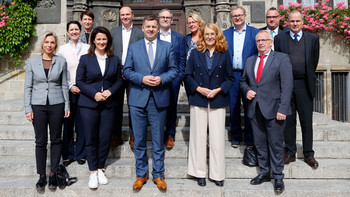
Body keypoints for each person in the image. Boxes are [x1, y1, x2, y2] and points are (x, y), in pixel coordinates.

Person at [123, 15, 178, 191]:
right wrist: (142, 79)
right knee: (139, 140)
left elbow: (174, 70)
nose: (151, 29)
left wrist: (161, 79)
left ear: (158, 28)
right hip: (138, 98)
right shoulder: (134, 47)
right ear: (143, 27)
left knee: (157, 139)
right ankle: (141, 174)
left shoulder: (167, 46)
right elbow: (127, 71)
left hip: (159, 98)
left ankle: (158, 174)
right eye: (148, 26)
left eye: (154, 26)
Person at [240, 30, 293, 194]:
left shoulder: (281, 58)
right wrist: (247, 90)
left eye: (264, 40)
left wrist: (283, 108)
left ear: (271, 42)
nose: (261, 43)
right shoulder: (250, 60)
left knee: (276, 144)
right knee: (260, 143)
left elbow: (287, 86)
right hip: (255, 108)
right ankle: (264, 172)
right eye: (258, 41)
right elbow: (243, 81)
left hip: (275, 109)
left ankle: (278, 176)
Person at [185, 23, 234, 187]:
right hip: (198, 99)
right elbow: (187, 75)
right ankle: (199, 173)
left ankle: (217, 174)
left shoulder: (224, 54)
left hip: (217, 100)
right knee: (198, 137)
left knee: (217, 138)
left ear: (217, 35)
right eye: (207, 34)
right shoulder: (195, 53)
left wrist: (218, 90)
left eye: (213, 34)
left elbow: (230, 78)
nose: (210, 37)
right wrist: (199, 89)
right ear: (202, 36)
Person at [76, 26, 124, 189]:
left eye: (104, 39)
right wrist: (94, 94)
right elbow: (80, 81)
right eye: (99, 39)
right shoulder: (85, 59)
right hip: (89, 103)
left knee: (104, 139)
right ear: (93, 41)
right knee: (91, 138)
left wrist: (110, 91)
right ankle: (92, 172)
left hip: (109, 104)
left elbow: (119, 80)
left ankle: (100, 168)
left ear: (108, 41)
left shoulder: (114, 59)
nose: (101, 42)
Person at [24, 32, 70, 191]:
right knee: (40, 141)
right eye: (47, 42)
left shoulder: (61, 61)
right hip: (38, 105)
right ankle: (41, 175)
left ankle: (53, 174)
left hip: (57, 104)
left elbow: (64, 85)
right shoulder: (32, 62)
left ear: (55, 45)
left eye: (52, 43)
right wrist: (27, 108)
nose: (49, 45)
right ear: (42, 44)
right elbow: (27, 87)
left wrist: (67, 105)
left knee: (57, 139)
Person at [274, 10, 320, 169]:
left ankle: (308, 154)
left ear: (302, 22)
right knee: (289, 121)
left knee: (306, 121)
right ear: (287, 22)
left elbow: (313, 62)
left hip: (304, 85)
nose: (295, 24)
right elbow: (278, 61)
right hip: (286, 85)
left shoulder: (313, 39)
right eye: (292, 21)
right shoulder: (279, 39)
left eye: (298, 21)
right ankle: (290, 152)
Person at [223, 6, 259, 148]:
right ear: (231, 18)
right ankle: (236, 135)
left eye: (240, 15)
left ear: (245, 16)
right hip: (232, 75)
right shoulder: (225, 34)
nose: (237, 18)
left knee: (250, 106)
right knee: (233, 106)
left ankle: (249, 137)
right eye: (234, 16)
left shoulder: (255, 33)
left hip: (249, 76)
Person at [57, 21, 90, 166]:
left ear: (81, 31)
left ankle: (81, 153)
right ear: (67, 32)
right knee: (68, 123)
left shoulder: (88, 48)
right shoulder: (62, 50)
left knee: (83, 123)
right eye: (72, 30)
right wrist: (70, 86)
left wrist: (84, 86)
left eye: (77, 29)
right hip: (68, 89)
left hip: (85, 91)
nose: (74, 32)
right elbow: (60, 72)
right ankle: (68, 154)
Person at [110, 6, 144, 148]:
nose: (125, 17)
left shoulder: (139, 33)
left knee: (133, 106)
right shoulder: (113, 32)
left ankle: (133, 136)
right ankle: (116, 135)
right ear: (120, 16)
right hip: (117, 73)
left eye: (127, 14)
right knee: (116, 106)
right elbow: (109, 52)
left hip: (134, 73)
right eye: (122, 15)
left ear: (132, 15)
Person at [157, 8, 186, 148]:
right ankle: (158, 134)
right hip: (156, 79)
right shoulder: (153, 36)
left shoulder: (179, 38)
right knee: (157, 107)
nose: (165, 19)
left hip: (173, 79)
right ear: (159, 19)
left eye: (167, 17)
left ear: (172, 20)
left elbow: (182, 60)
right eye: (163, 17)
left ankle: (170, 135)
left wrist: (179, 77)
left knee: (172, 108)